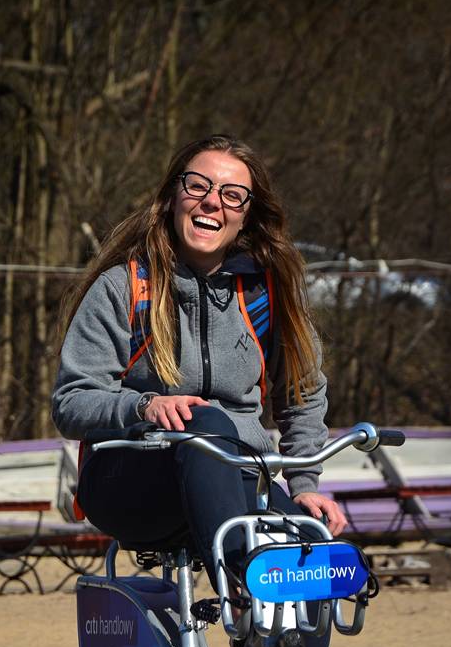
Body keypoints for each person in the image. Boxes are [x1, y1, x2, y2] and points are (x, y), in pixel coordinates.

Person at [51, 134, 347, 582]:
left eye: (232, 195)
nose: (212, 203)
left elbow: (302, 394)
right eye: (197, 186)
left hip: (240, 478)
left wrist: (304, 486)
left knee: (311, 556)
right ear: (173, 196)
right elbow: (71, 401)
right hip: (133, 480)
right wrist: (144, 405)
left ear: (247, 216)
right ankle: (245, 584)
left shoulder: (268, 296)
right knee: (201, 420)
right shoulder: (124, 288)